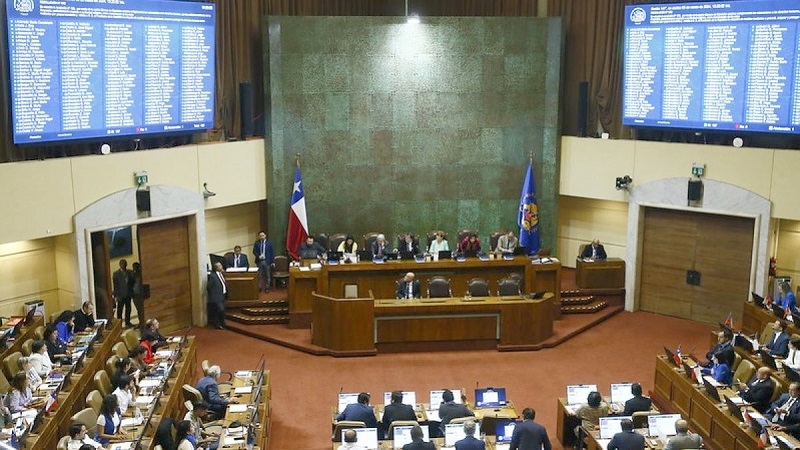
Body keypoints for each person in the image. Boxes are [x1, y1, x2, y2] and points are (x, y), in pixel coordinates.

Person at [207, 261, 228, 330]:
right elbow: (209, 287)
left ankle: (221, 323)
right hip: (216, 296)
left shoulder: (221, 274)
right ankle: (218, 324)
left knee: (220, 310)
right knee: (220, 310)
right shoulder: (213, 276)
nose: (221, 266)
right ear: (216, 268)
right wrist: (213, 295)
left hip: (223, 295)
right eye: (220, 266)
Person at [112, 259, 133, 327]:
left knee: (128, 309)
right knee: (120, 310)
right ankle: (119, 325)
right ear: (120, 265)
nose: (124, 265)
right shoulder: (116, 274)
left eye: (125, 264)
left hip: (128, 294)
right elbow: (115, 286)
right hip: (120, 295)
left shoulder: (129, 272)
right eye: (122, 264)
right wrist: (116, 295)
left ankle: (128, 322)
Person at [131, 262, 144, 327]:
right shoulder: (133, 275)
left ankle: (143, 322)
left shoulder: (141, 274)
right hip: (135, 294)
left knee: (141, 309)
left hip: (140, 294)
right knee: (138, 309)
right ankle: (141, 322)